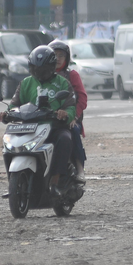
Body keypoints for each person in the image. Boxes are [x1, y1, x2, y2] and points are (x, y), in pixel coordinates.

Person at [0, 46, 76, 195]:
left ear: (52, 67)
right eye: (35, 68)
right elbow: (14, 105)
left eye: (43, 68)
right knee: (9, 144)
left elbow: (71, 106)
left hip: (54, 127)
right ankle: (13, 183)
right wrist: (6, 114)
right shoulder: (26, 83)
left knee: (65, 139)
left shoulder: (63, 83)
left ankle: (56, 180)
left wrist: (64, 114)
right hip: (29, 128)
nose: (39, 72)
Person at [48, 40, 88, 183]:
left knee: (74, 131)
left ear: (66, 58)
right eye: (54, 55)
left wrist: (74, 116)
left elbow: (82, 98)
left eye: (61, 55)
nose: (58, 59)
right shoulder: (43, 75)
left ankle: (79, 168)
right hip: (48, 118)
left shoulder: (72, 75)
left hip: (70, 118)